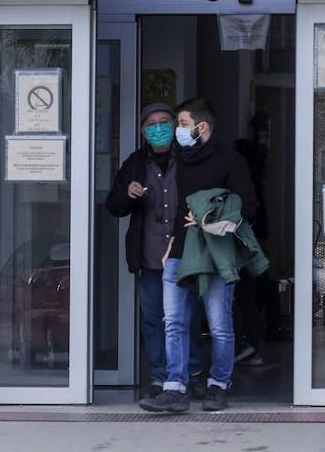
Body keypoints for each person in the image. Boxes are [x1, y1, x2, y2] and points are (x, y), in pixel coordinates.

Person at [140, 97, 258, 414]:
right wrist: (169, 247)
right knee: (173, 322)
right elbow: (179, 208)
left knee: (219, 325)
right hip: (179, 252)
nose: (176, 131)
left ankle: (218, 385)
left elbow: (247, 206)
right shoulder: (181, 159)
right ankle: (174, 388)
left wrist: (211, 215)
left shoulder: (230, 160)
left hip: (216, 253)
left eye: (181, 124)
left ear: (200, 127)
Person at [104, 103, 201, 401]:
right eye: (151, 123)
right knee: (153, 318)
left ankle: (192, 374)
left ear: (174, 126)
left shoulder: (189, 158)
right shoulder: (134, 163)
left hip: (185, 253)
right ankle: (161, 376)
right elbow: (114, 206)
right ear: (143, 131)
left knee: (188, 317)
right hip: (148, 255)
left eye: (164, 122)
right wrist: (126, 193)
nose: (158, 127)